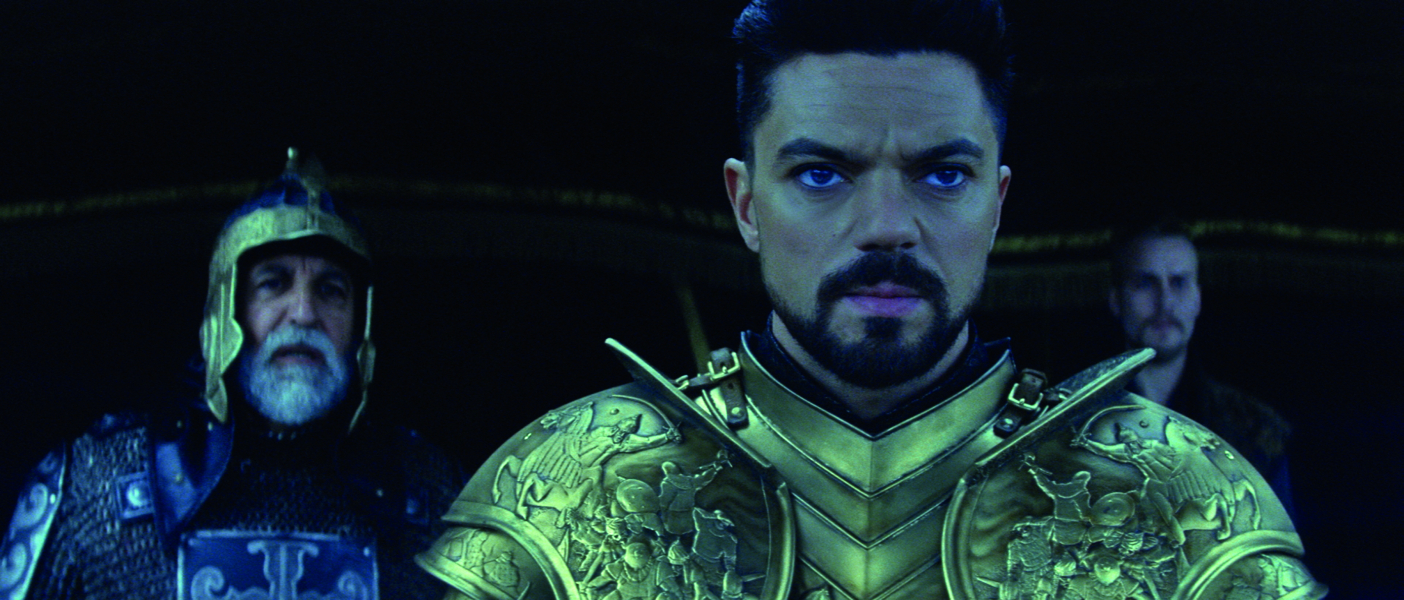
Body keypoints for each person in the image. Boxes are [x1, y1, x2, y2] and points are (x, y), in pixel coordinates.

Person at [416, 0, 1323, 598]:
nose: (887, 227)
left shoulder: (1178, 504)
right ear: (746, 204)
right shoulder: (567, 493)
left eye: (942, 173)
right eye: (822, 173)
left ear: (996, 204)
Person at [1, 150, 462, 600]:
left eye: (331, 290)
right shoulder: (97, 486)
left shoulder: (433, 498)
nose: (304, 313)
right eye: (273, 283)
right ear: (227, 310)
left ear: (361, 324)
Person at [1108, 218, 1296, 512]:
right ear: (1116, 300)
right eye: (1145, 283)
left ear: (1198, 298)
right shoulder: (1072, 426)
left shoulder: (1256, 431)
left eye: (1179, 282)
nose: (1165, 302)